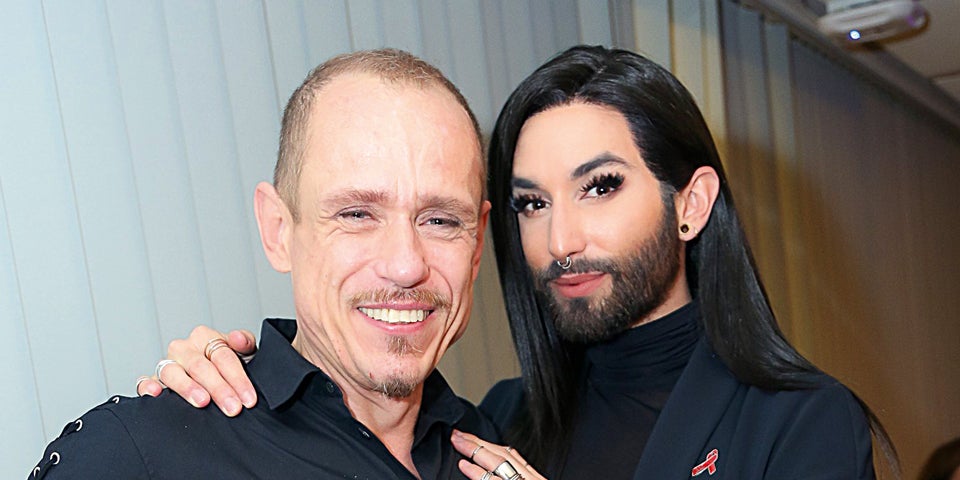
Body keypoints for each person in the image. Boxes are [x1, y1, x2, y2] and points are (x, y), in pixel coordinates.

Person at [139, 45, 897, 479]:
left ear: (691, 204)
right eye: (531, 202)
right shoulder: (488, 424)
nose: (561, 239)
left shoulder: (801, 422)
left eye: (600, 186)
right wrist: (224, 376)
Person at [29, 48, 501, 479]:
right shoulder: (136, 456)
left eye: (440, 220)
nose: (405, 265)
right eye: (357, 214)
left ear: (477, 244)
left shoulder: (494, 445)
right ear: (278, 230)